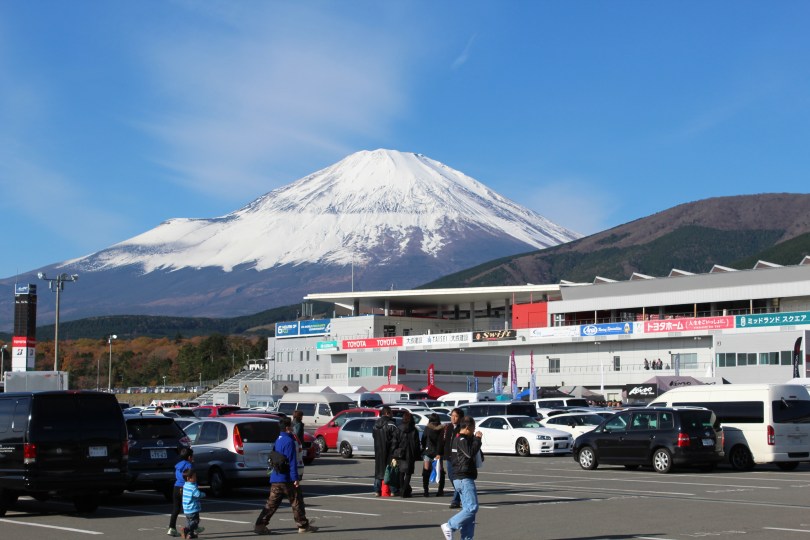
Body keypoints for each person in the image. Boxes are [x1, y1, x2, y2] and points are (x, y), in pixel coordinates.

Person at [254, 417, 318, 535]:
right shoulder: (289, 441)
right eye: (292, 426)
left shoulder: (278, 439)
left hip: (276, 476)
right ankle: (303, 525)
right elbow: (292, 461)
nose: (293, 428)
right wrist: (295, 478)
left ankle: (260, 525)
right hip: (287, 478)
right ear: (288, 428)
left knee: (271, 504)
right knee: (297, 501)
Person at [441, 416, 482, 540]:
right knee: (472, 507)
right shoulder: (461, 439)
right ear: (468, 427)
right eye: (473, 428)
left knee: (469, 513)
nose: (474, 431)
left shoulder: (459, 438)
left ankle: (467, 538)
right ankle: (450, 525)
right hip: (464, 478)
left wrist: (474, 440)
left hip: (460, 478)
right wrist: (477, 439)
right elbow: (470, 453)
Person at [391, 411, 420, 498]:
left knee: (401, 472)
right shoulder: (414, 430)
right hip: (410, 453)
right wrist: (417, 454)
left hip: (401, 453)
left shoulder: (399, 429)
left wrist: (394, 452)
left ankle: (402, 489)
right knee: (408, 473)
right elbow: (417, 444)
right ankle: (404, 490)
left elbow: (394, 442)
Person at [438, 408, 463, 508]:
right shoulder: (447, 428)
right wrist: (439, 453)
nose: (453, 418)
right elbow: (441, 441)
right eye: (452, 415)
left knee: (457, 478)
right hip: (448, 456)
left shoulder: (462, 428)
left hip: (459, 458)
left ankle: (455, 500)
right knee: (451, 477)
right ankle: (461, 493)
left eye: (456, 416)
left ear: (460, 418)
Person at [371, 406, 399, 496]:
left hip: (378, 451)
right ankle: (393, 490)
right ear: (387, 413)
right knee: (390, 470)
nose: (392, 414)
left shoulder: (375, 424)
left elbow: (374, 436)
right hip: (389, 451)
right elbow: (396, 439)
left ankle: (377, 490)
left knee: (379, 471)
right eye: (391, 412)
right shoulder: (391, 424)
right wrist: (395, 450)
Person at [168, 447, 194, 537]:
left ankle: (171, 528)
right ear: (189, 457)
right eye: (192, 456)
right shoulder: (189, 465)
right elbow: (190, 478)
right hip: (185, 487)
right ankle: (191, 528)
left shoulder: (178, 465)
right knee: (188, 508)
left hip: (176, 487)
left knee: (176, 509)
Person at [421, 412, 446, 497]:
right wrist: (439, 452)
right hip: (438, 453)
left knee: (426, 470)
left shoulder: (427, 428)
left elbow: (423, 439)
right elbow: (442, 442)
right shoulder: (441, 429)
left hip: (428, 451)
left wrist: (424, 447)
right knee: (440, 470)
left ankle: (426, 490)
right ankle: (440, 490)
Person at [181, 468, 205, 539]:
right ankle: (186, 529)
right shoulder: (192, 487)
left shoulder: (185, 485)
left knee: (190, 521)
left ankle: (191, 534)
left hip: (186, 508)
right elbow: (198, 494)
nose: (196, 478)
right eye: (194, 476)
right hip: (193, 508)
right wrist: (203, 494)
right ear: (188, 478)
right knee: (196, 521)